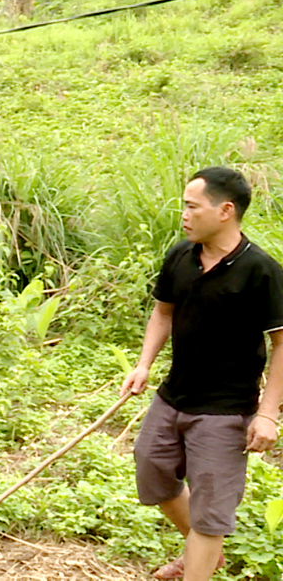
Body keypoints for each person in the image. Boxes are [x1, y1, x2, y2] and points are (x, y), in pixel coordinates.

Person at [120, 166, 283, 581]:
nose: (184, 215)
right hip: (173, 396)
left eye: (192, 206)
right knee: (151, 468)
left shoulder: (261, 271)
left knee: (211, 515)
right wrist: (143, 364)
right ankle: (204, 554)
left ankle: (200, 560)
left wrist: (268, 413)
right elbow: (163, 312)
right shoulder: (180, 255)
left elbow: (282, 344)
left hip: (225, 411)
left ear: (225, 210)